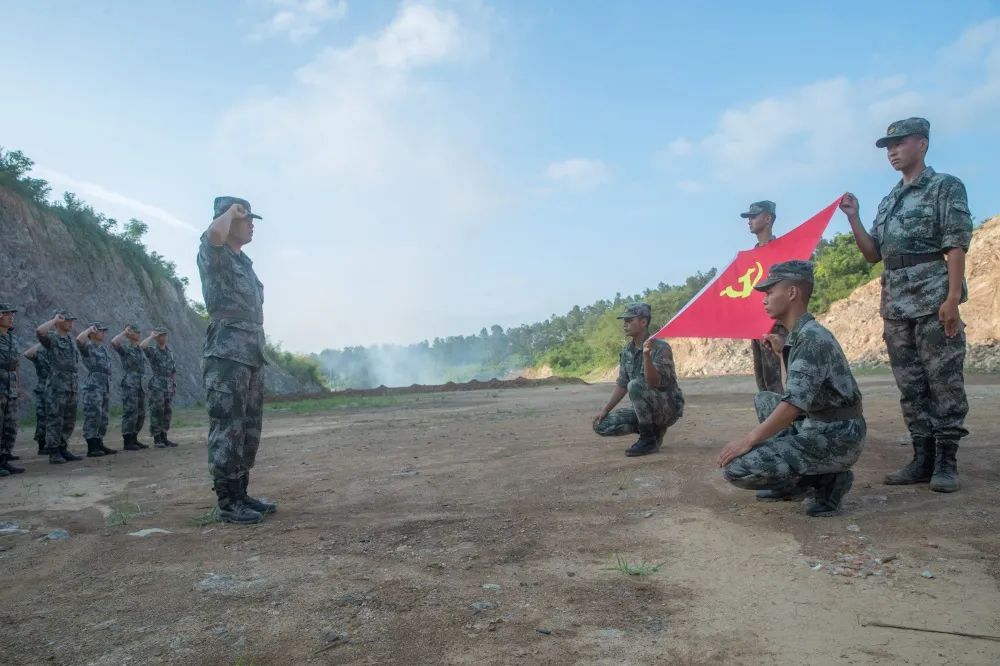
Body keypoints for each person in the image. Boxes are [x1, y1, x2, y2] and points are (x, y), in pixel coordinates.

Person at [839, 117, 972, 493]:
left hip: (933, 299)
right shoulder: (889, 200)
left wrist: (952, 298)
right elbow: (872, 254)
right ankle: (922, 458)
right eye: (888, 147)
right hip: (896, 304)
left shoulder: (944, 186)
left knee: (943, 381)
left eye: (899, 144)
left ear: (922, 144)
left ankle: (946, 462)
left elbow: (955, 244)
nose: (892, 152)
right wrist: (854, 218)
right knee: (911, 385)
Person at [718, 261, 866, 516]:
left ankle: (828, 480)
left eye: (770, 292)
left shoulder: (812, 339)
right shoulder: (800, 335)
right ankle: (794, 483)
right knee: (766, 400)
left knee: (738, 468)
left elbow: (794, 405)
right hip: (820, 423)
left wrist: (747, 441)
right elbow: (794, 393)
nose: (764, 299)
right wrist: (780, 354)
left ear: (792, 293)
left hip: (838, 436)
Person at [197, 196, 276, 524]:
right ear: (229, 221)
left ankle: (241, 493)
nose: (252, 224)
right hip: (227, 355)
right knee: (228, 426)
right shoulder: (214, 252)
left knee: (248, 428)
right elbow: (214, 235)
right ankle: (227, 501)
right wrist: (230, 211)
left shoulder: (244, 263)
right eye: (246, 219)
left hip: (251, 354)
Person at [592, 303, 684, 457]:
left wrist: (646, 355)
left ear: (643, 322)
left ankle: (648, 440)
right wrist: (605, 410)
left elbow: (654, 382)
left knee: (635, 385)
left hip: (667, 407)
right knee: (601, 425)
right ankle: (654, 431)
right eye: (624, 321)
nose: (625, 324)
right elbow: (622, 384)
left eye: (629, 320)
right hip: (644, 409)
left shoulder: (661, 347)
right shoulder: (626, 351)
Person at [740, 200, 786, 395]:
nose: (749, 221)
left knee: (778, 383)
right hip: (756, 326)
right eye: (748, 217)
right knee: (763, 382)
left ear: (768, 218)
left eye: (754, 216)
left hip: (777, 325)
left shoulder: (783, 251)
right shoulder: (749, 258)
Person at [36, 310, 84, 464]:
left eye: (72, 320)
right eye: (67, 320)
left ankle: (63, 447)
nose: (71, 323)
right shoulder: (52, 338)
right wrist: (55, 319)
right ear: (58, 322)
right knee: (55, 418)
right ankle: (53, 451)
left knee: (69, 419)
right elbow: (40, 332)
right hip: (57, 385)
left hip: (71, 384)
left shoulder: (70, 340)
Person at [76, 322, 117, 457]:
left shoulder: (103, 349)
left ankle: (99, 442)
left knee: (103, 416)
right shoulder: (88, 347)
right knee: (93, 415)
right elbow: (79, 340)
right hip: (94, 386)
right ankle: (92, 446)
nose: (103, 333)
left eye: (104, 331)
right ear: (93, 333)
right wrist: (89, 329)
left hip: (104, 385)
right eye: (100, 330)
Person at [112, 325, 149, 451]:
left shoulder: (139, 349)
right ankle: (128, 441)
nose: (138, 334)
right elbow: (114, 342)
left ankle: (134, 438)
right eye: (135, 332)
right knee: (130, 412)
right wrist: (124, 332)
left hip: (141, 384)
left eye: (139, 332)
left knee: (141, 413)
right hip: (130, 384)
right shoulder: (126, 348)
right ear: (130, 334)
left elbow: (145, 345)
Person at [0, 302, 26, 476]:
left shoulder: (11, 338)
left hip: (10, 387)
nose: (11, 317)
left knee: (10, 425)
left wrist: (18, 387)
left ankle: (4, 459)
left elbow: (16, 365)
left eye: (12, 314)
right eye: (7, 314)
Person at [142, 326, 178, 448]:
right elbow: (142, 346)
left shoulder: (169, 352)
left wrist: (174, 385)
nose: (163, 337)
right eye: (161, 335)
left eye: (165, 335)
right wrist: (151, 336)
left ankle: (164, 437)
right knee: (157, 411)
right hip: (157, 385)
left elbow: (173, 370)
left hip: (168, 385)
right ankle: (157, 438)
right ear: (157, 338)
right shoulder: (153, 351)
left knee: (167, 411)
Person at [23, 343, 49, 455]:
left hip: (56, 389)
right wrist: (41, 342)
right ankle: (42, 445)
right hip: (43, 389)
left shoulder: (57, 354)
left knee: (56, 418)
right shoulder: (40, 354)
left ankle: (54, 443)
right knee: (42, 418)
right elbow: (27, 354)